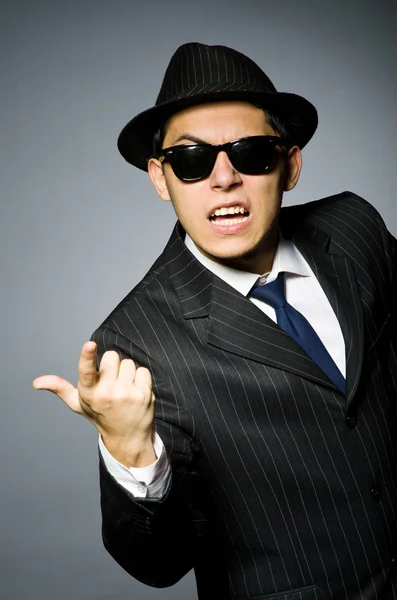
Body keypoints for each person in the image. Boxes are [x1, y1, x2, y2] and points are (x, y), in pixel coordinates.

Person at [33, 42, 397, 600]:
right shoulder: (135, 343)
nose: (224, 178)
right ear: (161, 179)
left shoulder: (354, 228)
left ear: (291, 165)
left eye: (251, 152)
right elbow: (157, 564)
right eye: (192, 159)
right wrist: (132, 456)